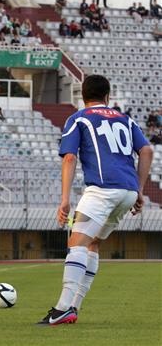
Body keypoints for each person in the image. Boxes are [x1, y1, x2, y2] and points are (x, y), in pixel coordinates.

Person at [37, 75, 153, 326]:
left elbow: (69, 158)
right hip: (128, 191)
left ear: (83, 96)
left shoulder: (78, 118)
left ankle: (61, 309)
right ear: (107, 97)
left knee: (76, 242)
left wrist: (65, 200)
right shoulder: (126, 119)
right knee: (93, 244)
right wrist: (140, 190)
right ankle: (73, 308)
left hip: (102, 190)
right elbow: (147, 150)